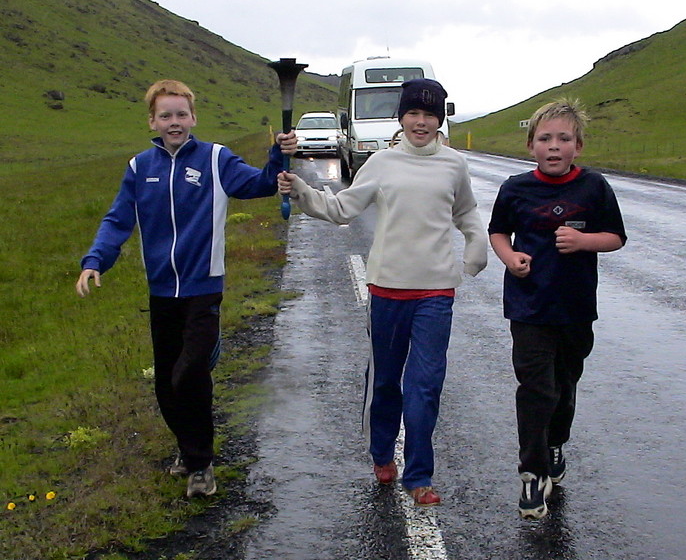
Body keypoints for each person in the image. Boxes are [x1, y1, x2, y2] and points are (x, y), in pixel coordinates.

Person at [76, 79, 297, 498]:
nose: (174, 122)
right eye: (166, 115)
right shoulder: (140, 167)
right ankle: (188, 449)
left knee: (189, 375)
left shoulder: (215, 159)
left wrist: (278, 154)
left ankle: (200, 465)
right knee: (167, 384)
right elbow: (118, 220)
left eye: (181, 114)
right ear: (153, 122)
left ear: (193, 118)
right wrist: (94, 261)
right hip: (161, 292)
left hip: (202, 288)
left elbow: (261, 183)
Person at [278, 78, 487, 506]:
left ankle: (419, 476)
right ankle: (381, 453)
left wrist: (475, 247)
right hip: (388, 289)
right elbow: (340, 209)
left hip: (436, 292)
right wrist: (301, 190)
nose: (421, 122)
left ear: (441, 119)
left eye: (430, 114)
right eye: (414, 113)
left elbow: (465, 211)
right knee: (387, 382)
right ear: (402, 117)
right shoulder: (381, 163)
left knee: (425, 385)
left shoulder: (453, 164)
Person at [487, 99, 626, 519]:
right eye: (545, 138)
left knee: (564, 387)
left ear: (577, 146)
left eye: (563, 138)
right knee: (535, 389)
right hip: (529, 308)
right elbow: (498, 232)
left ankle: (554, 442)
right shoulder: (515, 188)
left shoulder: (594, 187)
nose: (554, 146)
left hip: (576, 308)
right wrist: (510, 258)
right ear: (531, 145)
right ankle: (532, 474)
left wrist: (585, 242)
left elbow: (616, 237)